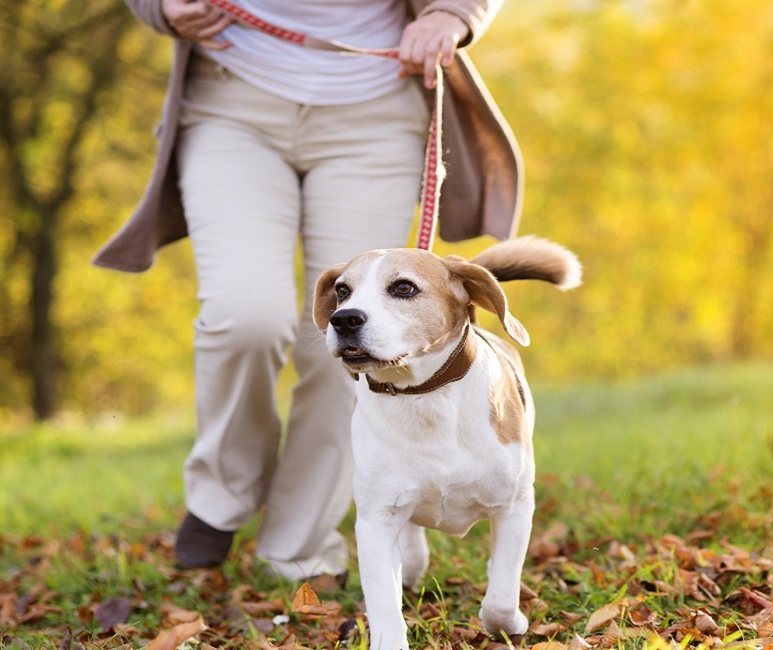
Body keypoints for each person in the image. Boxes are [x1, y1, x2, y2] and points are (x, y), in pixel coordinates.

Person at [93, 0, 522, 580]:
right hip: (231, 98)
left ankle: (296, 545)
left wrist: (451, 13)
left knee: (364, 343)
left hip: (377, 103)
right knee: (245, 315)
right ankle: (222, 492)